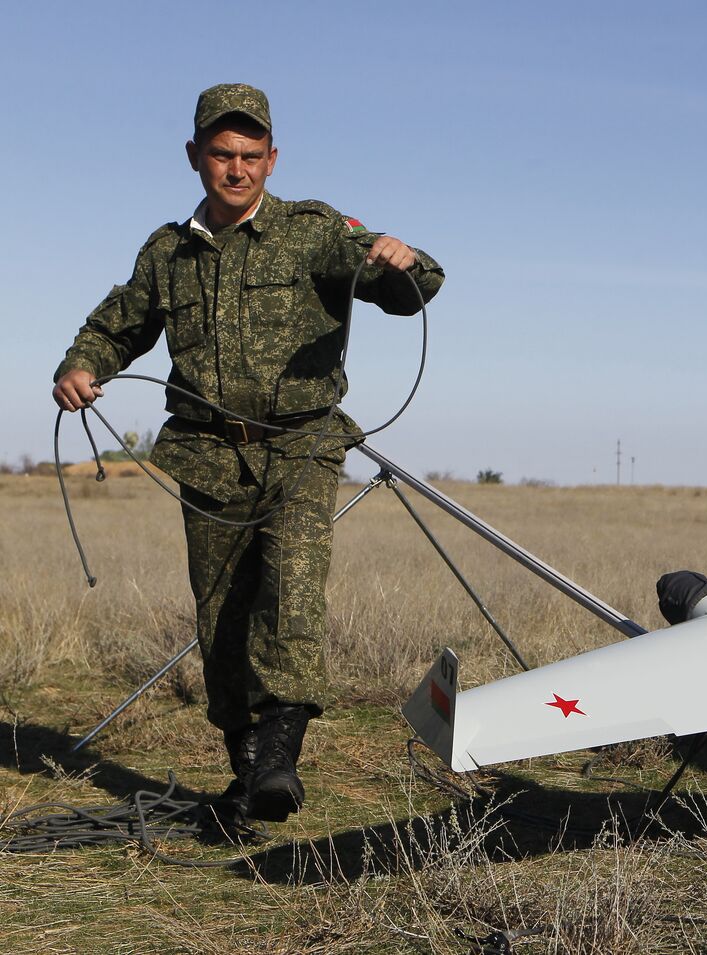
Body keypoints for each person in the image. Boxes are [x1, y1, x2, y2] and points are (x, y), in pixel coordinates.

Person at [52, 84, 445, 823]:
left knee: (292, 586)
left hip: (302, 444)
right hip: (206, 455)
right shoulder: (166, 252)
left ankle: (279, 757)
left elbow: (410, 284)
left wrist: (400, 258)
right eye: (223, 155)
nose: (237, 169)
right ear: (195, 156)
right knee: (223, 617)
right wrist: (79, 367)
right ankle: (247, 769)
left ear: (273, 159)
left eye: (252, 156)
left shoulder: (314, 230)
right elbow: (114, 327)